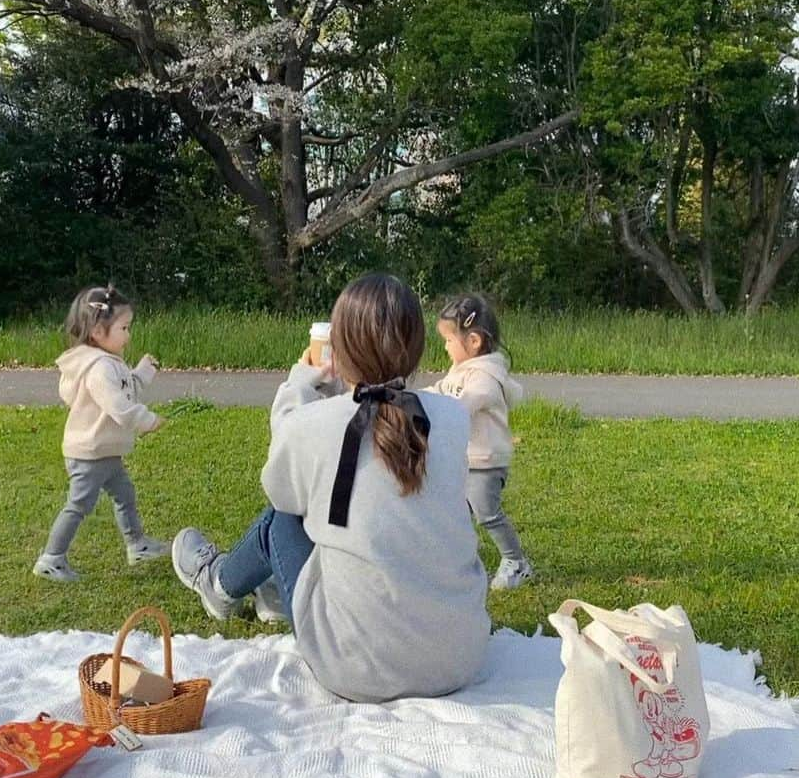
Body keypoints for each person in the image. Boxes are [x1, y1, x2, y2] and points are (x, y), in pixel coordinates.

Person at [171, 273, 491, 703]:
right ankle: (264, 589)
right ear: (416, 347)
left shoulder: (312, 424)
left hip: (358, 669)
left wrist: (297, 387)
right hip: (459, 657)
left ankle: (221, 584)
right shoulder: (451, 418)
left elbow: (282, 495)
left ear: (337, 351)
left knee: (281, 521)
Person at [32, 284, 169, 581]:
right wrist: (147, 420)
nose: (128, 334)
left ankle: (137, 544)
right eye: (123, 327)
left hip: (105, 452)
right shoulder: (98, 369)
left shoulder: (107, 363)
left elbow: (125, 388)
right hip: (90, 455)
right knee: (79, 505)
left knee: (125, 495)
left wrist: (143, 372)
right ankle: (51, 558)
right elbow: (119, 405)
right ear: (97, 332)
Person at [429, 294, 532, 590]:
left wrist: (429, 409)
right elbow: (441, 389)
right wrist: (415, 398)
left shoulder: (485, 379)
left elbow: (460, 406)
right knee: (458, 515)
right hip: (466, 461)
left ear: (473, 341)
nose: (446, 347)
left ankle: (516, 562)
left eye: (449, 340)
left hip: (486, 462)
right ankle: (458, 563)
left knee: (488, 514)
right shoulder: (461, 371)